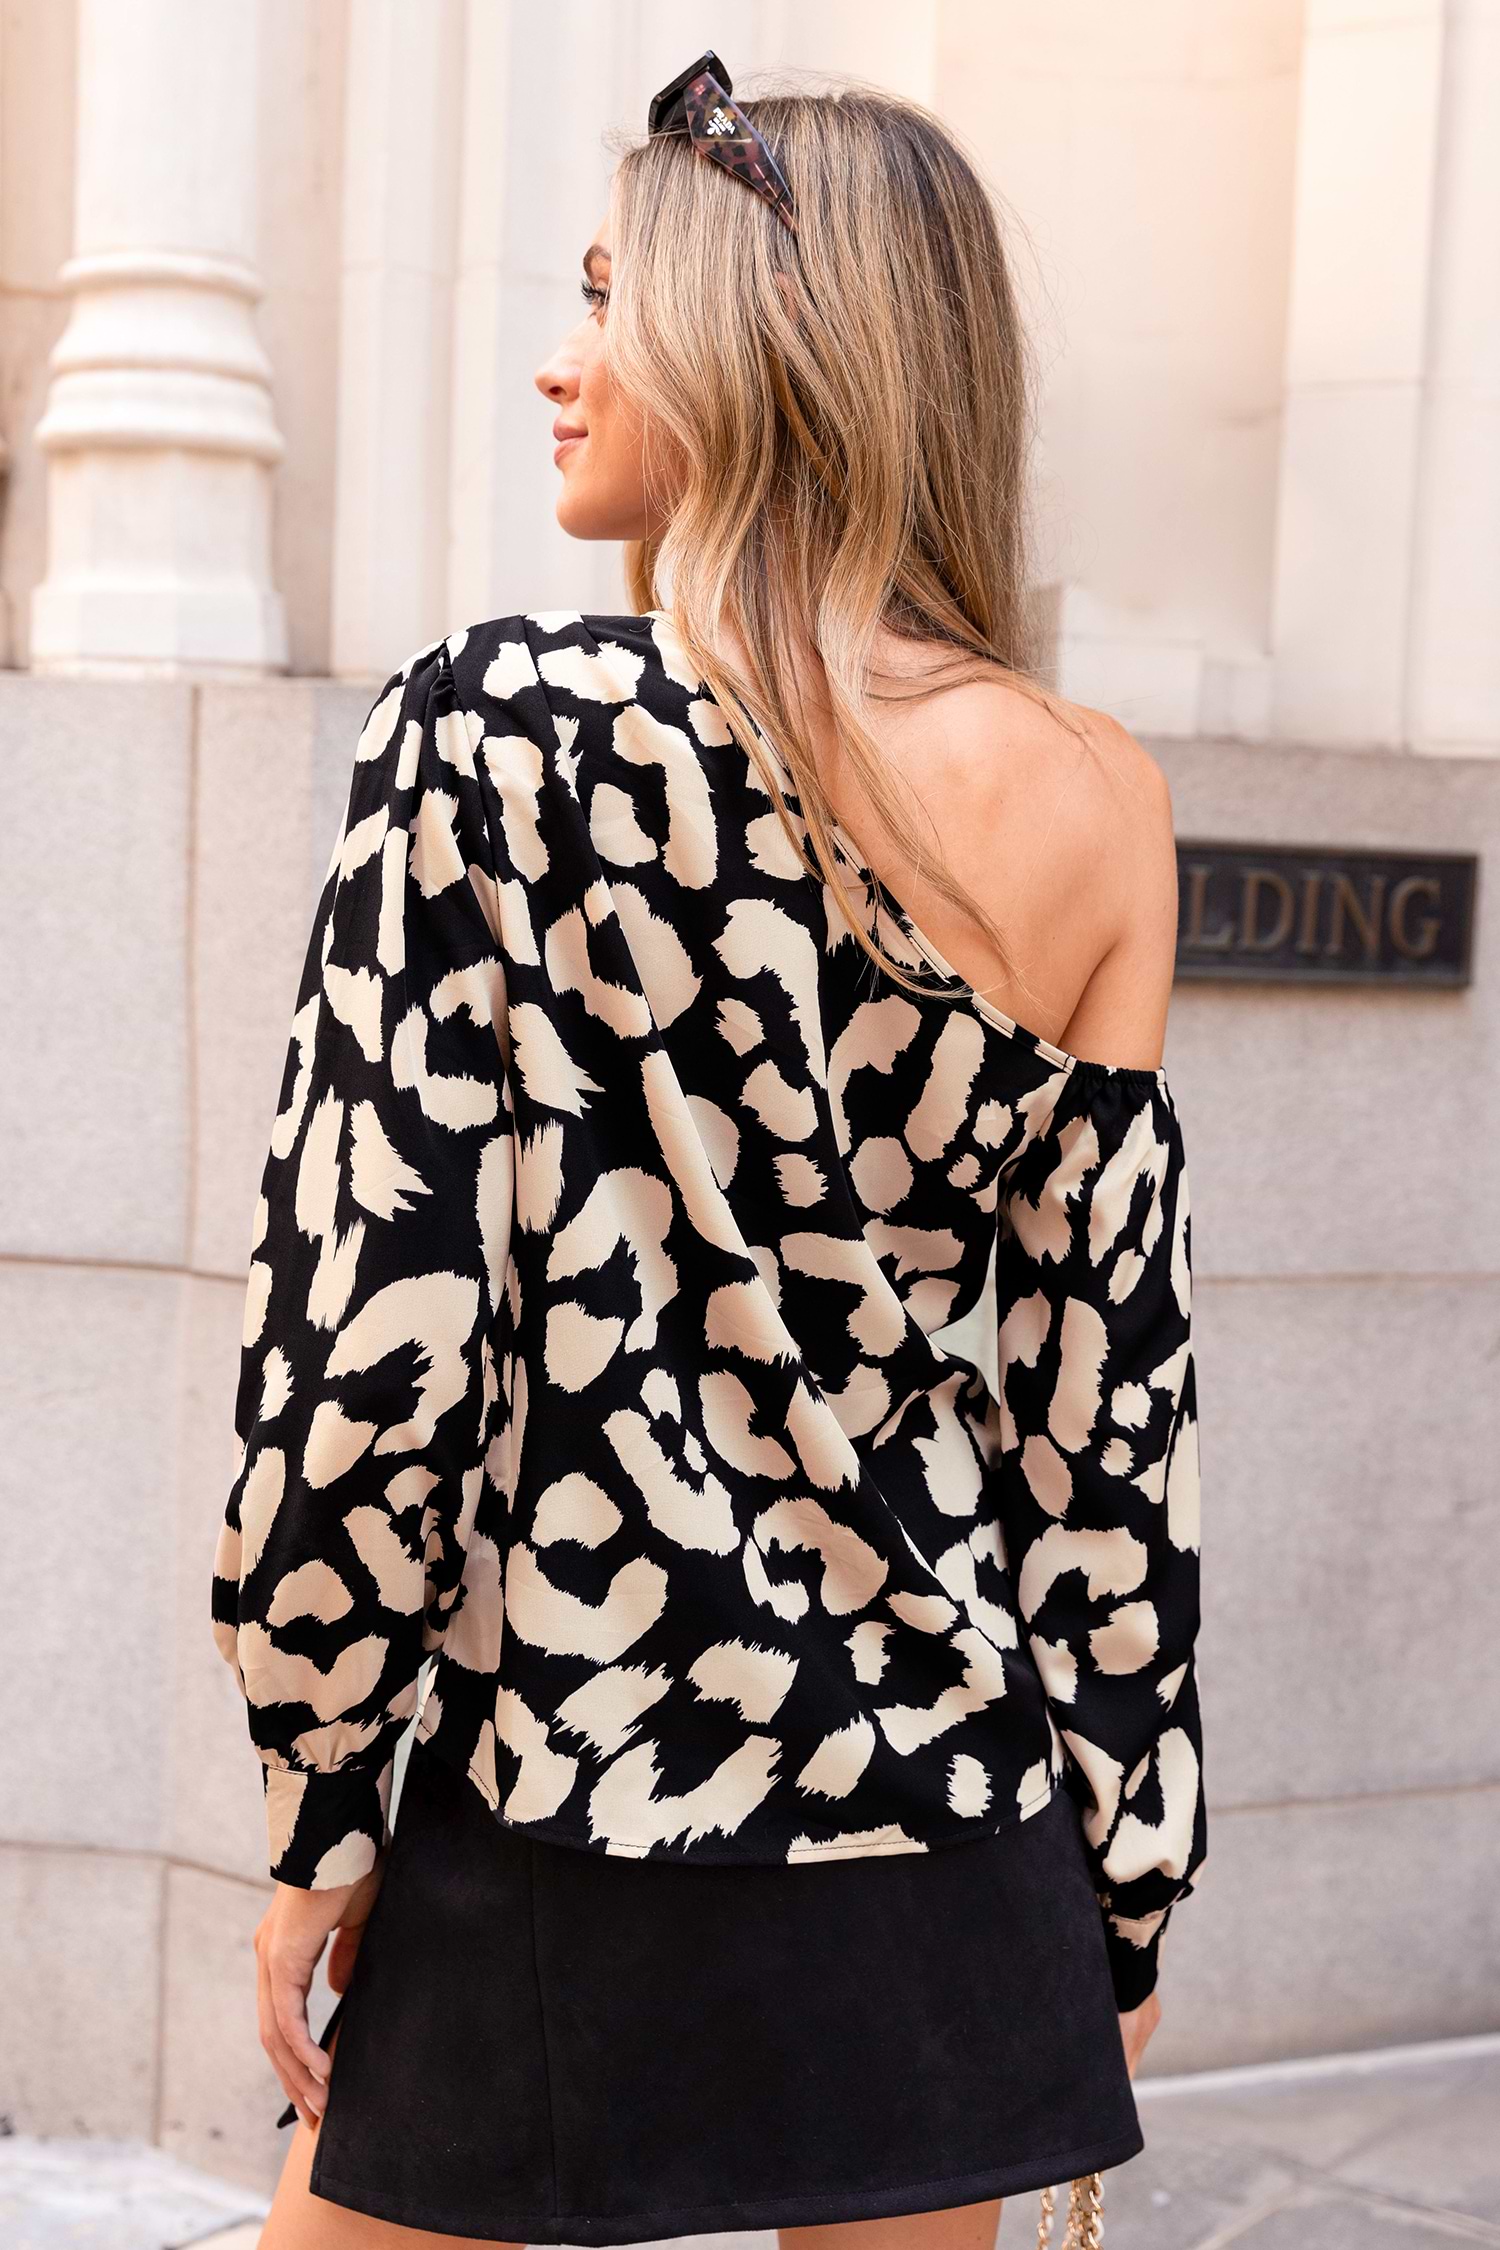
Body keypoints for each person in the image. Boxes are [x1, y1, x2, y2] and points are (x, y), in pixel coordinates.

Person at [215, 52, 1206, 2250]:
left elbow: (369, 1344)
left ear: (767, 349)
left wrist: (320, 1799)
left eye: (611, 299)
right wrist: (1127, 1867)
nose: (560, 367)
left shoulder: (495, 738)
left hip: (567, 1792)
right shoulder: (1099, 795)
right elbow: (1105, 1413)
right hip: (948, 1825)